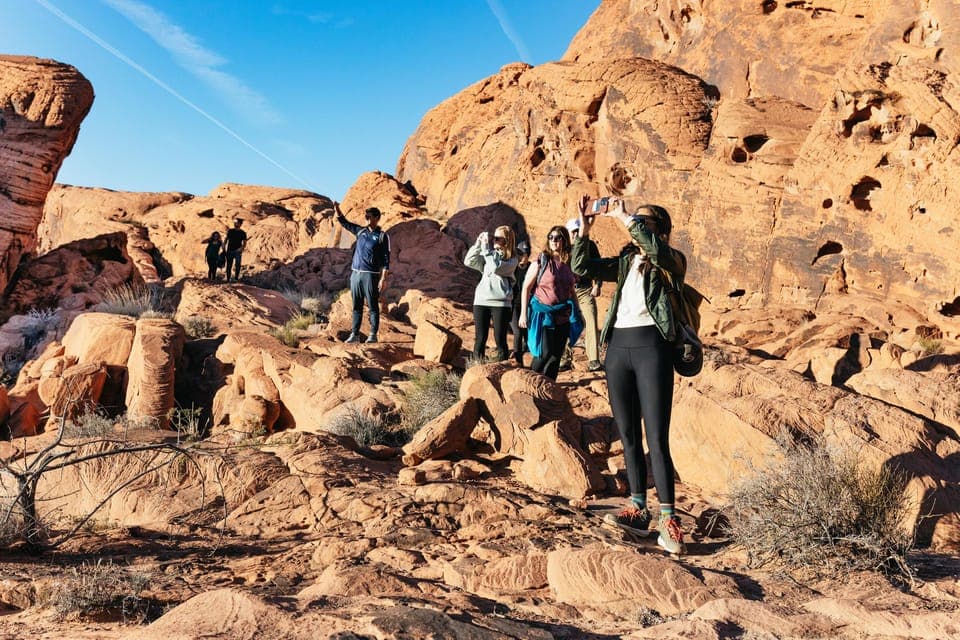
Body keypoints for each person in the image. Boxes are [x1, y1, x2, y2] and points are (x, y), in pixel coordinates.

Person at [570, 194, 687, 556]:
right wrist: (584, 232)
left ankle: (669, 519)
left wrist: (625, 218)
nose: (635, 223)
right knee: (628, 435)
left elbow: (657, 252)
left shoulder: (670, 261)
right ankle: (638, 509)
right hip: (618, 348)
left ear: (659, 231)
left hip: (652, 347)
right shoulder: (625, 261)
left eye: (644, 221)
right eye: (636, 220)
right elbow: (582, 269)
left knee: (656, 436)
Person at [518, 226, 581, 380]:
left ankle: (549, 388)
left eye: (557, 237)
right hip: (543, 314)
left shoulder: (569, 263)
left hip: (563, 314)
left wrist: (577, 311)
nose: (553, 240)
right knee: (544, 353)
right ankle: (528, 383)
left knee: (556, 356)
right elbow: (526, 287)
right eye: (550, 237)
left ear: (564, 240)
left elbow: (571, 289)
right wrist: (523, 314)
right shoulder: (542, 260)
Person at [336, 203, 390, 343]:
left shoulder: (382, 236)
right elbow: (344, 223)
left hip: (370, 275)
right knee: (356, 306)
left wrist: (383, 279)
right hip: (356, 274)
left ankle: (373, 335)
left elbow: (386, 260)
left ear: (377, 218)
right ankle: (355, 335)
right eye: (365, 216)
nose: (366, 218)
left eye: (369, 216)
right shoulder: (360, 231)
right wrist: (337, 209)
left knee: (372, 305)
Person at [464, 225, 518, 362]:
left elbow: (495, 268)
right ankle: (477, 368)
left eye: (497, 238)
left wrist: (486, 250)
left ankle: (502, 370)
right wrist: (478, 243)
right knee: (480, 338)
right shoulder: (489, 254)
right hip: (481, 301)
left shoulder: (512, 260)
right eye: (493, 237)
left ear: (507, 240)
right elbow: (468, 261)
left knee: (500, 339)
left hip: (501, 303)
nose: (493, 240)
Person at [559, 217, 603, 372]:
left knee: (591, 320)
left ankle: (594, 360)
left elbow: (599, 266)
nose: (576, 234)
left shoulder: (589, 245)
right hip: (566, 291)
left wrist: (597, 284)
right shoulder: (563, 248)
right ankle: (564, 358)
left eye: (578, 230)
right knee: (564, 322)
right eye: (573, 232)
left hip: (584, 290)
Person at [509, 240, 532, 365]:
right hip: (513, 305)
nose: (522, 256)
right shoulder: (511, 267)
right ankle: (519, 363)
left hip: (528, 305)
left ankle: (533, 361)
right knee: (517, 332)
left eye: (525, 253)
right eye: (520, 253)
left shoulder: (532, 267)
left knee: (528, 334)